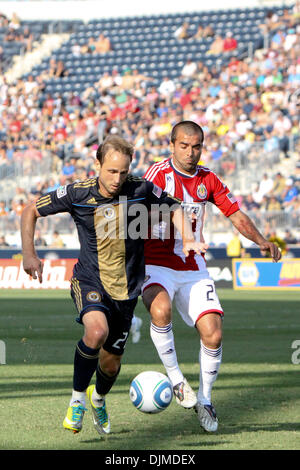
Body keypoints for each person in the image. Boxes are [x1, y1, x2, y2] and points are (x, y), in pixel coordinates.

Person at [20, 134, 207, 436]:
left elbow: (175, 207)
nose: (116, 179)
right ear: (99, 164)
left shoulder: (140, 189)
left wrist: (188, 237)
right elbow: (30, 210)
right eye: (111, 171)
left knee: (110, 364)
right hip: (90, 279)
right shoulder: (78, 193)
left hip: (128, 288)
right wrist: (29, 254)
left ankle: (98, 398)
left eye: (122, 172)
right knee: (96, 332)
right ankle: (77, 400)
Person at [142, 121, 281, 432]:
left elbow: (235, 213)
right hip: (156, 262)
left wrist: (261, 240)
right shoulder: (157, 174)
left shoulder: (208, 179)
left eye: (196, 147)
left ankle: (204, 399)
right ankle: (176, 379)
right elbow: (138, 208)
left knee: (214, 333)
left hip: (193, 266)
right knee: (160, 310)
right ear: (171, 144)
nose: (191, 153)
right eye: (184, 146)